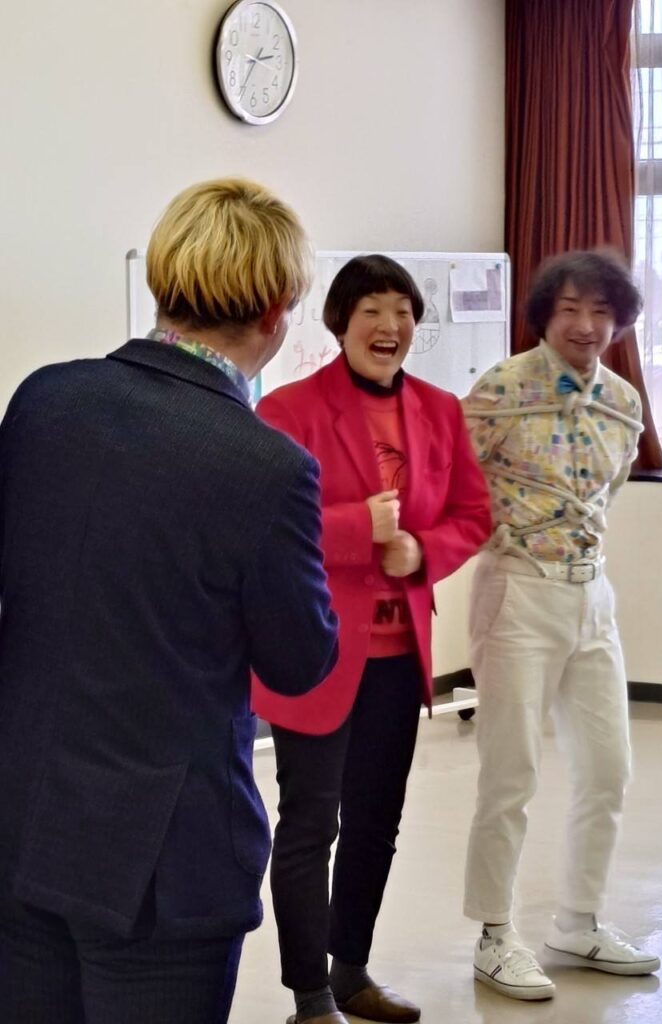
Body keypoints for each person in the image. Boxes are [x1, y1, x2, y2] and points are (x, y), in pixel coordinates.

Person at [0, 177, 338, 1024]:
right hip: (163, 864)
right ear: (275, 311)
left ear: (163, 281)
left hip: (22, 819)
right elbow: (298, 663)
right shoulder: (266, 467)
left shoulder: (44, 399)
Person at [251, 254, 492, 1024]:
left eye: (403, 312)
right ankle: (310, 996)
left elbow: (472, 515)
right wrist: (360, 529)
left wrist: (424, 551)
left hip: (397, 660)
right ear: (340, 324)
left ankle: (351, 973)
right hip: (316, 653)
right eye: (372, 311)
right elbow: (265, 527)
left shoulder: (439, 410)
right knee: (310, 825)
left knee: (376, 825)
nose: (390, 327)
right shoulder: (287, 410)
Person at [462, 249, 660, 1002]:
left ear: (619, 322)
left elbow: (610, 492)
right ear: (544, 314)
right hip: (518, 587)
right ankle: (494, 933)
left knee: (609, 768)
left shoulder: (622, 403)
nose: (585, 324)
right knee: (510, 772)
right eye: (570, 308)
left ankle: (578, 921)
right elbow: (457, 483)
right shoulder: (500, 390)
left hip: (592, 594)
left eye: (601, 311)